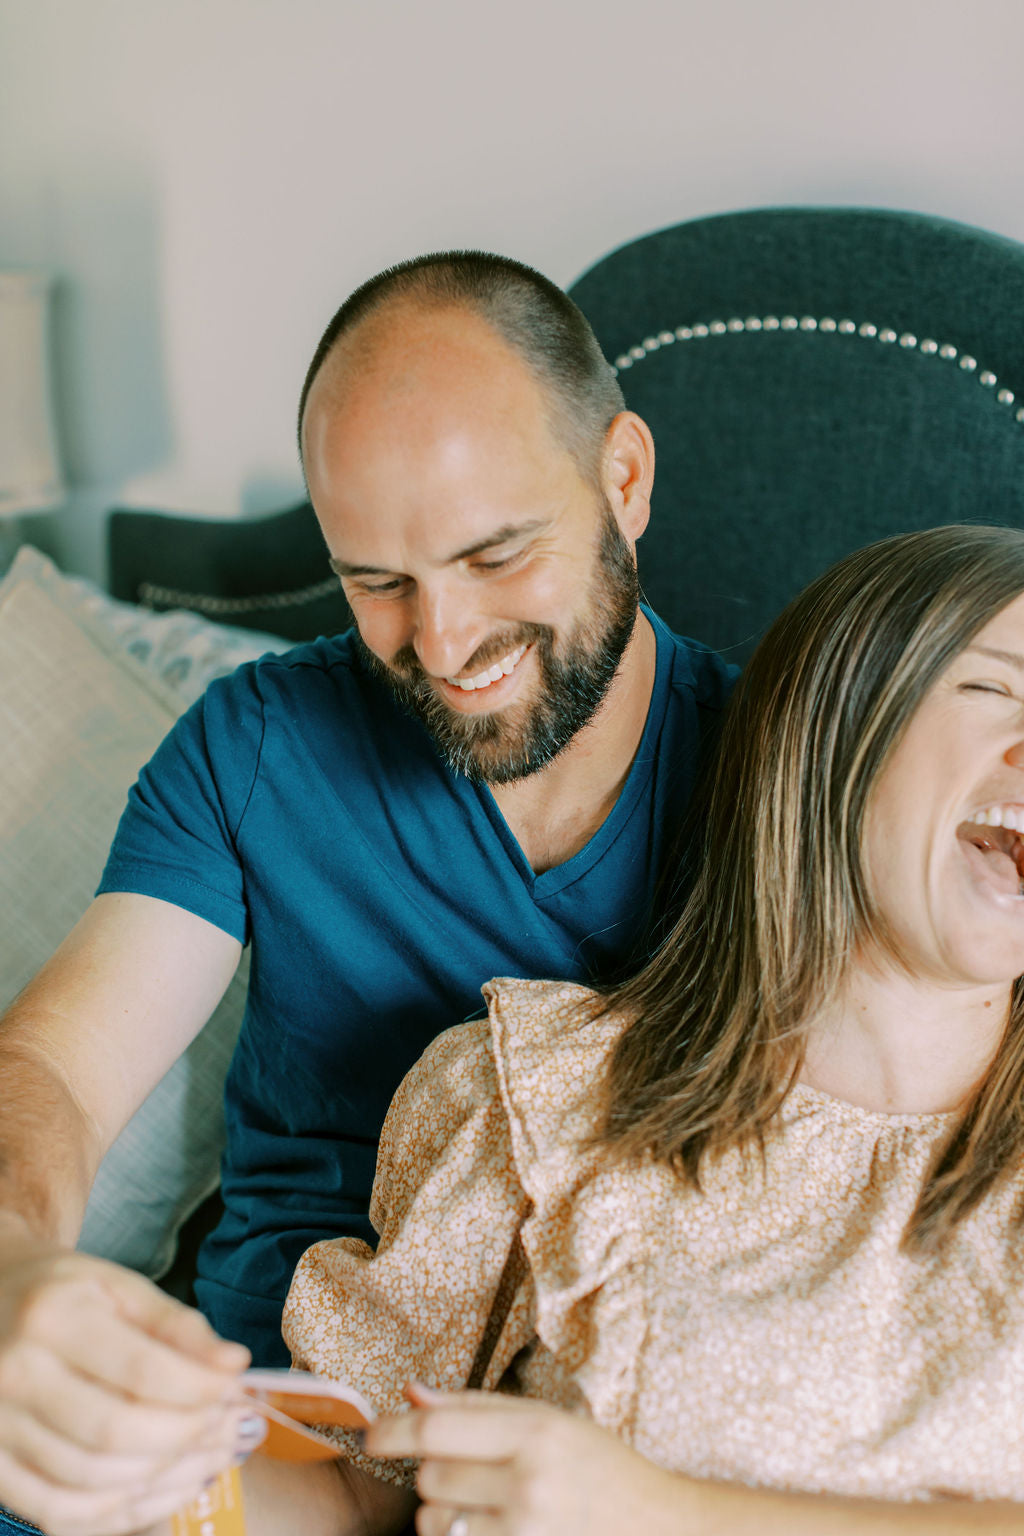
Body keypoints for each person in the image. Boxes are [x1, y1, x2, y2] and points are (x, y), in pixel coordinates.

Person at [0, 253, 735, 1535]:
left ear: (624, 478)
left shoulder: (798, 779)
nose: (443, 646)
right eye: (376, 582)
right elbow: (56, 1067)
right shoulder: (257, 746)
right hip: (234, 1442)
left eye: (495, 554)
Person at [193, 524, 1024, 1534]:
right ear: (832, 726)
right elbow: (346, 1500)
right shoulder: (536, 1095)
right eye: (999, 692)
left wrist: (659, 1513)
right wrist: (124, 1462)